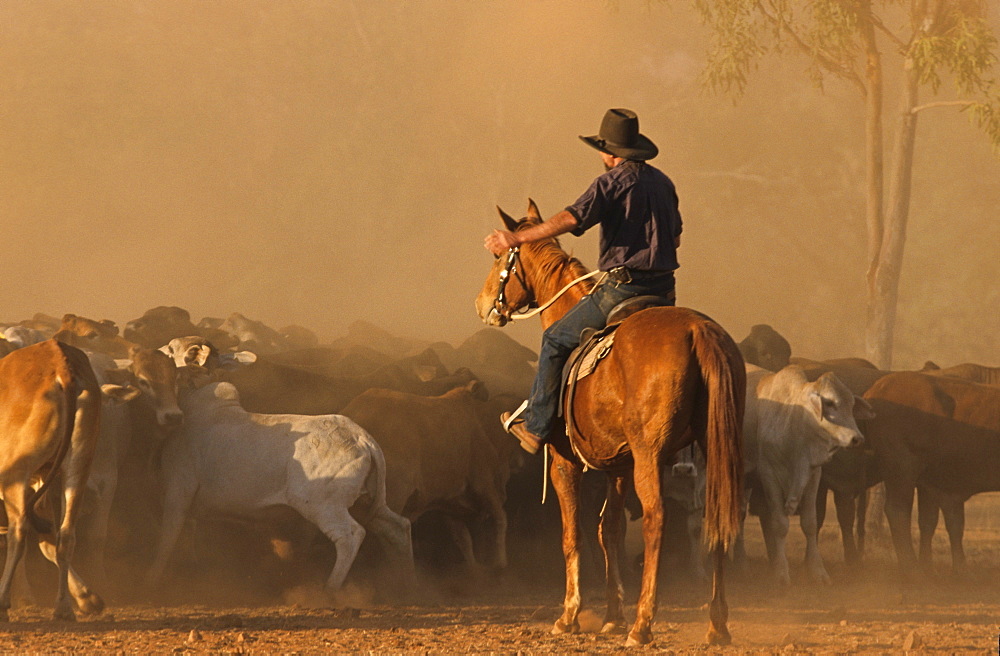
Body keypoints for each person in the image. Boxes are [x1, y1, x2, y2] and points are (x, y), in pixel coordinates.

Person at [483, 108, 683, 455]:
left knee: (555, 339)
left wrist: (517, 240)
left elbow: (570, 218)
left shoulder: (612, 182)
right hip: (665, 292)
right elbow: (676, 236)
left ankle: (536, 426)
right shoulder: (664, 183)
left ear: (609, 153)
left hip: (624, 289)